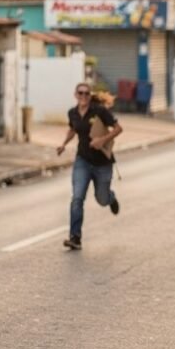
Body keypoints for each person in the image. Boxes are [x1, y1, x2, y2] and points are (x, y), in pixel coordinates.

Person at [56, 82, 123, 250]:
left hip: (102, 163)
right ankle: (75, 237)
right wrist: (63, 144)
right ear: (75, 94)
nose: (83, 96)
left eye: (86, 94)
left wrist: (102, 140)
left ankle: (111, 198)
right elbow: (73, 129)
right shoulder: (72, 113)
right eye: (80, 93)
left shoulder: (99, 111)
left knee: (101, 199)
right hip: (83, 161)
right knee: (77, 198)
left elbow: (118, 128)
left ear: (90, 95)